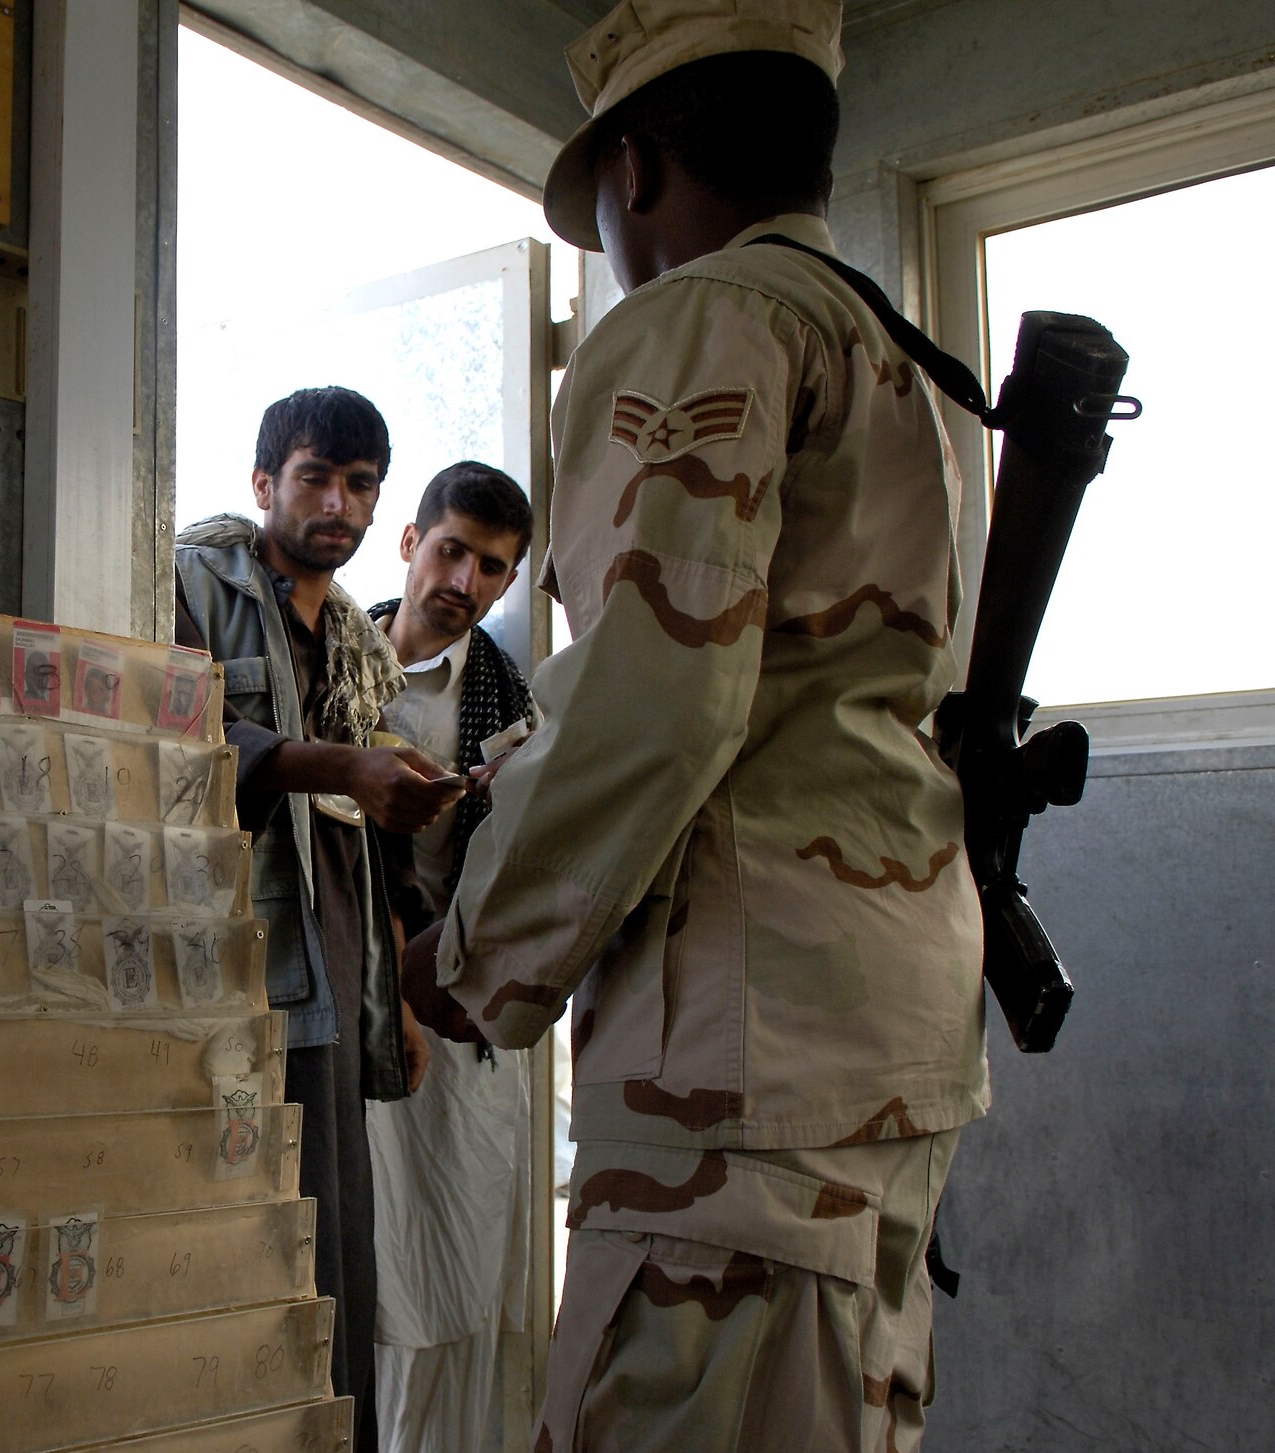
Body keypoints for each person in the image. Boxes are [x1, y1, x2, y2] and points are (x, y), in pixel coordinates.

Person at [405, 4, 989, 1449]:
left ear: (639, 170)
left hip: (739, 1062)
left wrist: (471, 953)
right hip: (878, 1022)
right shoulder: (901, 361)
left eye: (600, 194)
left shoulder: (700, 320)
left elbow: (655, 696)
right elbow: (799, 681)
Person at [175, 386, 463, 1448]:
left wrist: (403, 1000)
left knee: (333, 1241)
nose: (336, 503)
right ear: (262, 484)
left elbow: (372, 846)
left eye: (359, 485)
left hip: (337, 974)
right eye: (314, 477)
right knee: (240, 1235)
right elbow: (182, 735)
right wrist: (339, 763)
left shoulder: (355, 639)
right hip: (231, 971)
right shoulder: (192, 582)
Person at [365, 463, 538, 1453]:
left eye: (491, 567)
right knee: (366, 1263)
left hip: (457, 1023)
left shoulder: (514, 710)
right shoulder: (335, 663)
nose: (464, 580)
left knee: (462, 1277)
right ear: (410, 542)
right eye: (451, 550)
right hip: (352, 1000)